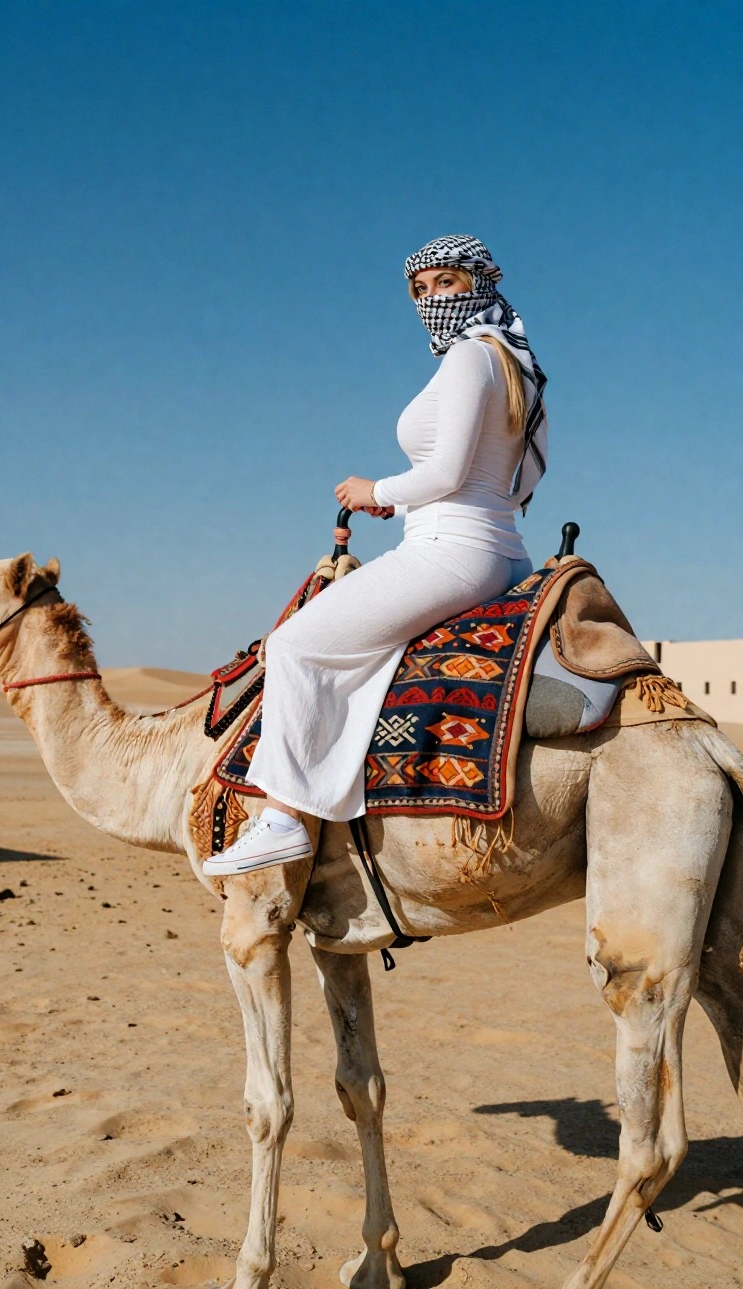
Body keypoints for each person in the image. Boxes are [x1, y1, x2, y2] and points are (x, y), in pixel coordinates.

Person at [202, 234, 548, 876]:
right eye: (420, 289)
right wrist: (404, 503)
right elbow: (495, 481)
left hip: (451, 552)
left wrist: (377, 490)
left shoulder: (469, 357)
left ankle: (282, 819)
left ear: (479, 281)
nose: (431, 299)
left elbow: (447, 472)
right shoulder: (513, 362)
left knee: (294, 646)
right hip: (500, 552)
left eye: (445, 282)